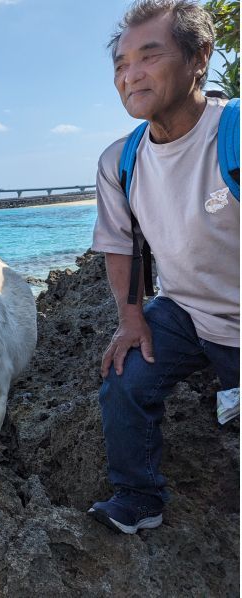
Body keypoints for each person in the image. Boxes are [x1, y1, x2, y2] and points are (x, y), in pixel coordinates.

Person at [89, 0, 239, 535]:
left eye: (149, 57)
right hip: (183, 312)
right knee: (124, 378)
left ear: (200, 57)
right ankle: (137, 495)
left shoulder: (234, 135)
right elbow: (121, 245)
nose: (131, 76)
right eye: (121, 65)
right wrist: (132, 320)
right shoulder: (119, 161)